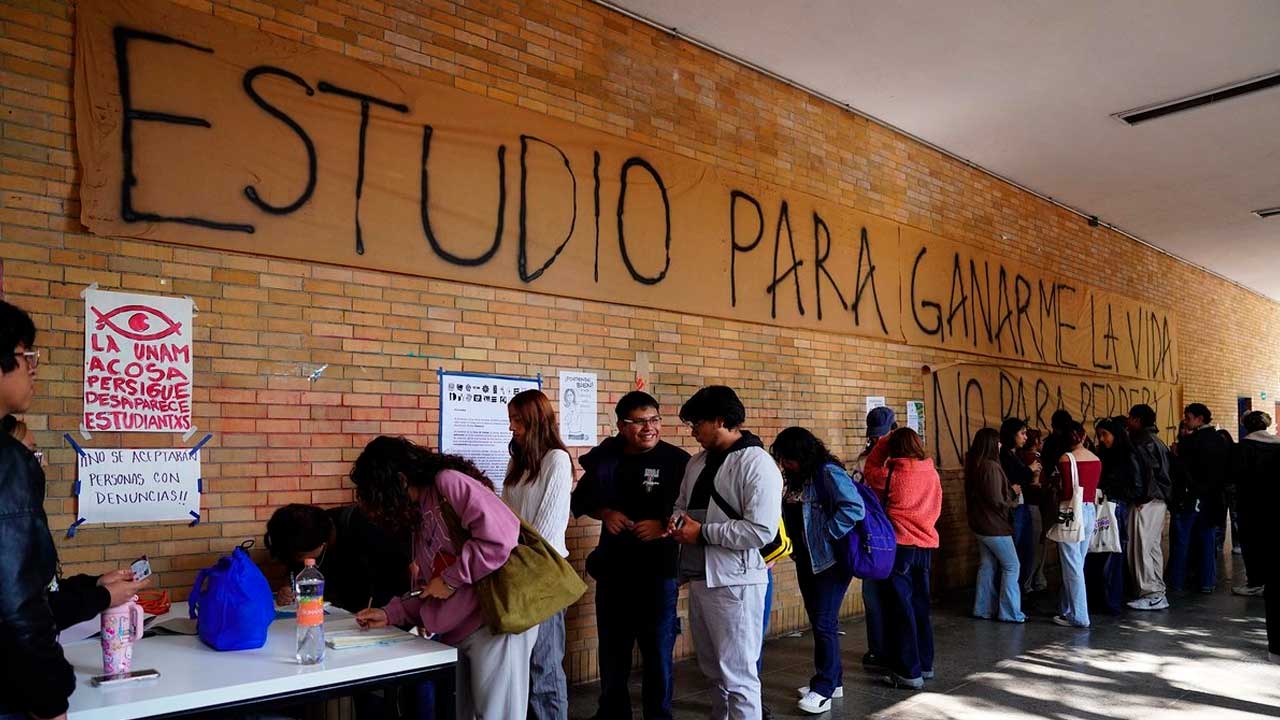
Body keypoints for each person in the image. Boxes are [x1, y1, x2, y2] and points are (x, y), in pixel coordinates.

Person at [0, 301, 151, 720]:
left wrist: (94, 589)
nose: (33, 370)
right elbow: (16, 609)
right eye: (26, 356)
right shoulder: (7, 463)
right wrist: (50, 702)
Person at [351, 437, 537, 719]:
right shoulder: (417, 515)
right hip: (462, 631)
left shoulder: (448, 483)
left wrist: (451, 579)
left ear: (400, 481)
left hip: (496, 621)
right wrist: (390, 614)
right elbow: (430, 589)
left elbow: (501, 538)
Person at [570, 391, 689, 720]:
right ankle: (612, 711)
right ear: (621, 426)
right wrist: (605, 512)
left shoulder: (678, 461)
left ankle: (658, 715)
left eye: (654, 420)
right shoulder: (607, 458)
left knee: (658, 650)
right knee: (613, 648)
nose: (649, 428)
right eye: (639, 422)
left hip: (659, 571)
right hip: (614, 569)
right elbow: (580, 500)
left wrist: (664, 526)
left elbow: (694, 511)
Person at [668, 386, 782, 719]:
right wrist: (676, 521)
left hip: (736, 583)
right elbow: (681, 504)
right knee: (713, 671)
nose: (693, 432)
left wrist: (702, 533)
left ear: (720, 420)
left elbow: (761, 531)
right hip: (700, 577)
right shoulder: (697, 462)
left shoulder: (757, 463)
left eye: (697, 424)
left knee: (738, 676)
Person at [770, 427, 866, 715]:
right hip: (807, 560)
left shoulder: (828, 473)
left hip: (829, 562)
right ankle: (834, 682)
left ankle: (823, 688)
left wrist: (828, 533)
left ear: (802, 454)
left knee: (823, 623)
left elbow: (854, 507)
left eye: (788, 458)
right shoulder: (798, 479)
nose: (784, 464)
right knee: (820, 621)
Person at [503, 389, 573, 720]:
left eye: (517, 420)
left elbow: (545, 533)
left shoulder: (557, 460)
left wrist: (510, 554)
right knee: (521, 664)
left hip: (544, 573)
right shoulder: (516, 462)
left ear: (535, 421)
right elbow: (505, 518)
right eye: (510, 420)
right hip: (517, 570)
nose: (512, 427)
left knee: (545, 666)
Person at [862, 428, 942, 690]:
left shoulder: (892, 474)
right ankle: (925, 664)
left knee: (900, 609)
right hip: (925, 545)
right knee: (920, 606)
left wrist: (884, 441)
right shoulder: (931, 472)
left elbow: (869, 467)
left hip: (900, 547)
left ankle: (908, 671)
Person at [264, 503, 411, 613]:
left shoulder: (363, 531)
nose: (298, 560)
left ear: (321, 544)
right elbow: (293, 569)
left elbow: (394, 580)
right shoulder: (303, 529)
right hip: (335, 617)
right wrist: (286, 589)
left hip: (379, 615)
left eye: (300, 556)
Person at [965, 427, 1025, 623]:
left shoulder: (974, 464)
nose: (1000, 445)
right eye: (997, 442)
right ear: (991, 444)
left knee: (987, 565)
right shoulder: (990, 467)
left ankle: (982, 608)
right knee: (1012, 566)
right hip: (994, 526)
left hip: (980, 524)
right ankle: (1010, 612)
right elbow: (996, 500)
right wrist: (1013, 493)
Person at [1168, 403, 1229, 593]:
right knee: (1207, 540)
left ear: (1199, 419)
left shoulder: (1190, 442)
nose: (1185, 421)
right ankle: (1207, 582)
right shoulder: (1219, 440)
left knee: (1182, 540)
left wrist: (1176, 455)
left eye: (1188, 418)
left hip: (1190, 497)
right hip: (1212, 498)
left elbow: (1181, 470)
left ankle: (1177, 582)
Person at [856, 406, 896, 672]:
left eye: (882, 435)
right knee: (872, 594)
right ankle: (878, 649)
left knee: (891, 595)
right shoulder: (865, 460)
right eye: (874, 436)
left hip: (893, 533)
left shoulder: (902, 461)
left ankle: (890, 649)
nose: (877, 440)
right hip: (874, 534)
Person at [1086, 418, 1140, 615]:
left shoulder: (1127, 455)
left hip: (1115, 507)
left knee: (1112, 554)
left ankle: (1112, 601)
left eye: (1105, 434)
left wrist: (1113, 490)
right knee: (1098, 553)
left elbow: (1136, 485)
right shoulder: (1102, 454)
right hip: (1103, 507)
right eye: (1099, 435)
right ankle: (1099, 599)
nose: (1102, 439)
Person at [1052, 422, 1100, 628]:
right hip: (1090, 511)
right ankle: (1067, 609)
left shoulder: (1065, 459)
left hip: (1071, 512)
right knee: (1078, 562)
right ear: (1083, 436)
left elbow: (1065, 491)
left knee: (1072, 565)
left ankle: (1079, 615)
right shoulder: (1096, 459)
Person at [1125, 404, 1172, 611]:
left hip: (1147, 501)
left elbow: (1146, 473)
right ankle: (1157, 591)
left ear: (1137, 420)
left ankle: (1150, 593)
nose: (1128, 421)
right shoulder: (1156, 440)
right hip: (1158, 499)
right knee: (1152, 547)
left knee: (1141, 547)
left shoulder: (1142, 442)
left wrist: (1140, 497)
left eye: (1130, 417)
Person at [1230, 411, 1279, 597]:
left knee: (1252, 544)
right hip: (1274, 504)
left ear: (1246, 426)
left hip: (1250, 504)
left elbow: (1236, 475)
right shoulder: (1277, 445)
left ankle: (1256, 582)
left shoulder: (1243, 447)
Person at [998, 419, 1042, 595]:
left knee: (1026, 550)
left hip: (1022, 506)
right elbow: (1013, 477)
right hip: (1014, 508)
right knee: (1015, 553)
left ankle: (1020, 591)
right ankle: (1012, 594)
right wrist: (1029, 469)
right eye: (1022, 433)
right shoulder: (1004, 456)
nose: (1025, 437)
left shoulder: (1014, 454)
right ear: (1012, 435)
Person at [1018, 428, 1049, 593]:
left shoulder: (1020, 457)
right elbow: (1034, 484)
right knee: (1034, 546)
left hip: (1030, 505)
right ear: (1035, 442)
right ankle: (1028, 583)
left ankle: (1031, 581)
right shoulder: (1033, 459)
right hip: (1033, 504)